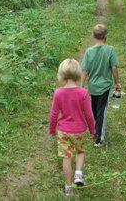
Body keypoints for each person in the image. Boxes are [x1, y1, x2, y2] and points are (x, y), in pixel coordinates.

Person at [49, 58, 96, 196]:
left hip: (63, 131)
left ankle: (68, 187)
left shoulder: (58, 93)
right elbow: (89, 115)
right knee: (80, 151)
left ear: (61, 74)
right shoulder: (83, 93)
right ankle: (78, 174)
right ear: (78, 74)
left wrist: (52, 130)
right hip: (79, 130)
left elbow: (53, 114)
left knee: (66, 157)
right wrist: (93, 131)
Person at [80, 24, 121, 147]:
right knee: (100, 111)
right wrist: (117, 82)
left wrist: (81, 87)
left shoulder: (89, 52)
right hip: (104, 87)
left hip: (92, 86)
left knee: (95, 110)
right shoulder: (110, 50)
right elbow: (114, 67)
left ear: (93, 35)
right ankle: (99, 139)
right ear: (106, 36)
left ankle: (96, 131)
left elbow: (85, 71)